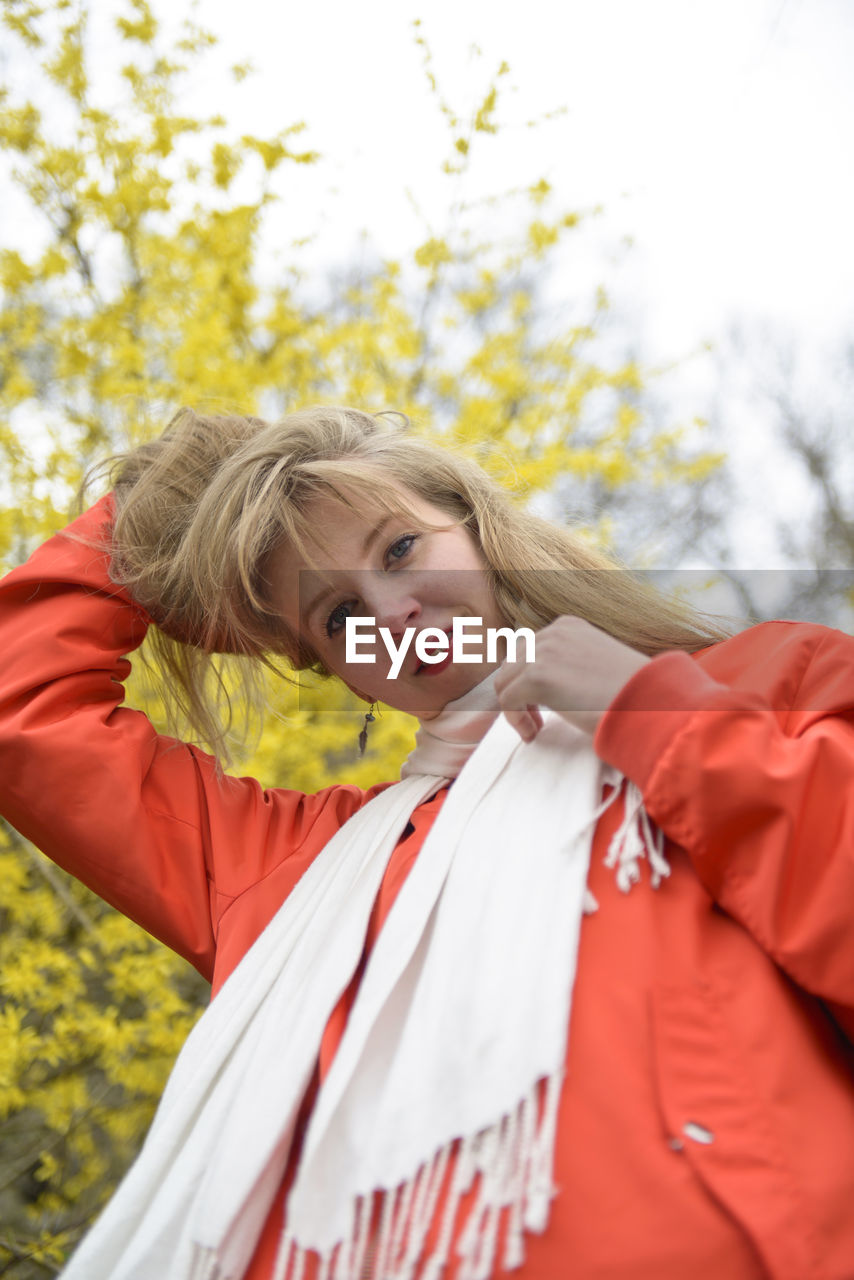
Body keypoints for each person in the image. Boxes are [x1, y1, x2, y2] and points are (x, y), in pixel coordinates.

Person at [0, 404, 853, 1280]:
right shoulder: (291, 870)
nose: (393, 614)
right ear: (327, 667)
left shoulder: (768, 683)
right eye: (337, 616)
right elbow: (22, 704)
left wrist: (648, 712)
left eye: (400, 548)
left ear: (478, 524)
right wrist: (155, 506)